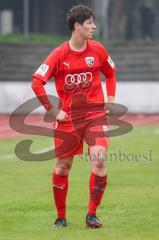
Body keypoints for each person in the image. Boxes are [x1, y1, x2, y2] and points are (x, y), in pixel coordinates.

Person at [31, 4, 116, 229]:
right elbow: (37, 82)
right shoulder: (59, 54)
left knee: (98, 159)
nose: (94, 26)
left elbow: (111, 72)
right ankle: (60, 217)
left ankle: (91, 215)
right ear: (77, 26)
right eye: (89, 23)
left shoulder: (98, 49)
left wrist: (112, 98)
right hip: (68, 119)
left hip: (95, 114)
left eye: (93, 22)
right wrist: (51, 110)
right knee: (62, 168)